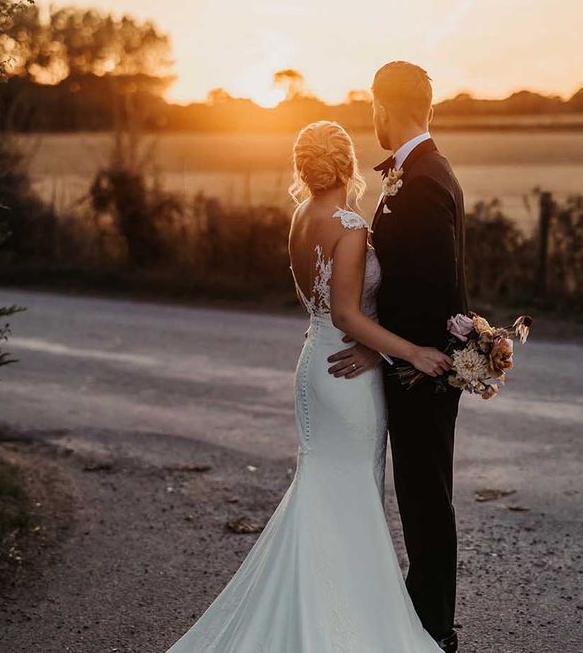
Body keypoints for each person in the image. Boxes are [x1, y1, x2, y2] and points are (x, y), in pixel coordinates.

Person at [164, 117, 453, 652]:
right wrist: (410, 350)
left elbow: (324, 309)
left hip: (312, 366)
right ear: (346, 164)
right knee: (351, 495)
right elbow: (346, 314)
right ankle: (346, 628)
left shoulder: (301, 216)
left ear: (305, 166)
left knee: (323, 487)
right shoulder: (350, 226)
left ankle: (315, 609)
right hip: (347, 370)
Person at [328, 61, 468, 653]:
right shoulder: (414, 171)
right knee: (418, 497)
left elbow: (433, 286)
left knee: (425, 501)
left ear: (383, 107)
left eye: (372, 109)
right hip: (412, 361)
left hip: (423, 370)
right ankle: (420, 620)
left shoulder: (428, 178)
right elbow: (409, 276)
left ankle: (434, 631)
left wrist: (409, 355)